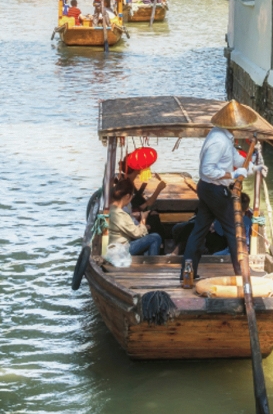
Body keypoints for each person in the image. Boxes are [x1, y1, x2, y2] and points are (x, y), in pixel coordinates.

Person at [180, 99, 257, 287]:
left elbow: (235, 158)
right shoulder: (218, 141)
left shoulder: (223, 136)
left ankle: (188, 272)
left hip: (209, 188)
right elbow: (207, 169)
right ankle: (242, 273)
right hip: (214, 189)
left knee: (199, 230)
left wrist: (251, 165)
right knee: (234, 230)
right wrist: (232, 174)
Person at [104, 176, 163, 267]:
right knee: (155, 237)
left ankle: (146, 263)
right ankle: (152, 267)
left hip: (116, 246)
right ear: (127, 196)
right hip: (120, 250)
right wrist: (143, 219)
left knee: (149, 238)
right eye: (132, 196)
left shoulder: (112, 209)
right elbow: (138, 234)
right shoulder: (119, 214)